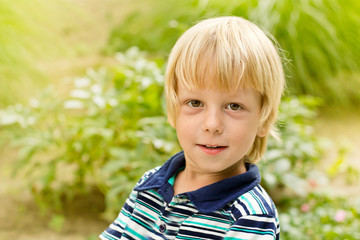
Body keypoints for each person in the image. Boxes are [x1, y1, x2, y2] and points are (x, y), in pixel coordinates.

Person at [100, 16, 285, 240]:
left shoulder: (250, 216)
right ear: (173, 110)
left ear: (263, 120)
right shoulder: (149, 187)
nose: (212, 125)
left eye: (234, 106)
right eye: (195, 103)